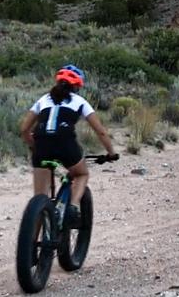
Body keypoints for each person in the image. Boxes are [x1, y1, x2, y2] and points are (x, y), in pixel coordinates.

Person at [18, 65, 116, 227]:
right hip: (65, 142)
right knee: (81, 174)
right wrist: (111, 152)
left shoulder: (43, 99)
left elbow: (24, 129)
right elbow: (101, 132)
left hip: (41, 142)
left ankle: (30, 248)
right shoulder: (80, 101)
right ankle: (74, 205)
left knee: (39, 201)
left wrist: (34, 146)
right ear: (77, 86)